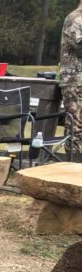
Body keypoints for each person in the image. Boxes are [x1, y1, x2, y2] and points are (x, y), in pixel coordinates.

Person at [60, 2, 82, 157]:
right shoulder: (74, 19)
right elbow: (79, 46)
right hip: (75, 81)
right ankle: (74, 163)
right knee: (76, 127)